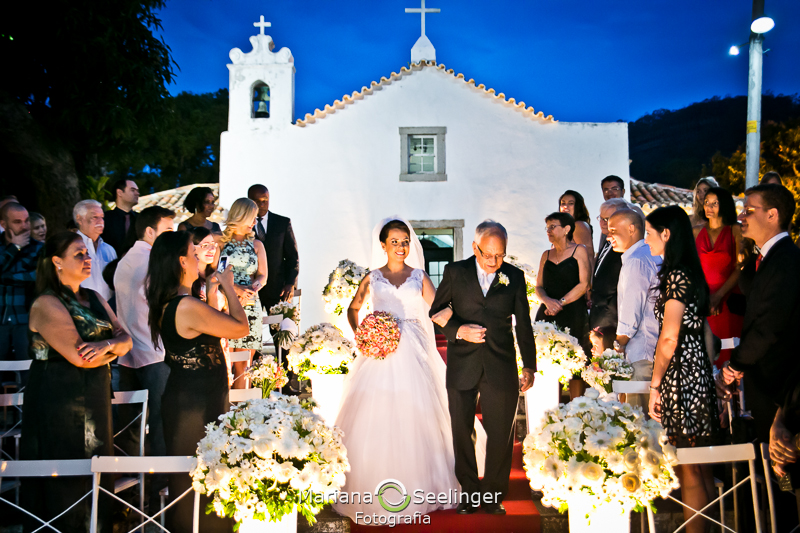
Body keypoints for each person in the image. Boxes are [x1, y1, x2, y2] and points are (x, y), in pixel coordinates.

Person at [333, 218, 479, 520]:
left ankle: (425, 483)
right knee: (376, 412)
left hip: (414, 348)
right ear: (383, 245)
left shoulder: (419, 276)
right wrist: (362, 333)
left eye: (405, 241)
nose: (401, 247)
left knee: (419, 411)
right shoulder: (372, 278)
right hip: (379, 351)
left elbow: (440, 309)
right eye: (395, 241)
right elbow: (354, 308)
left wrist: (462, 325)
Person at [21, 231, 132, 532]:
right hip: (59, 395)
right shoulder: (47, 302)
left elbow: (126, 339)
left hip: (95, 390)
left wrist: (105, 346)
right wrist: (111, 347)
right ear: (57, 262)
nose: (87, 259)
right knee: (65, 470)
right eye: (78, 254)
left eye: (87, 253)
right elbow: (78, 357)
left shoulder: (94, 296)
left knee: (97, 463)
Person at [430, 220, 536, 515]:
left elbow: (523, 324)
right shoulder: (455, 272)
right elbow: (436, 311)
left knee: (501, 432)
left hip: (501, 364)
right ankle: (469, 493)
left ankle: (492, 496)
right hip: (463, 363)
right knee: (462, 431)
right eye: (488, 255)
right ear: (475, 248)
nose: (494, 262)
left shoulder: (513, 276)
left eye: (500, 255)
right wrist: (459, 330)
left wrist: (529, 365)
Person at [146, 231, 249, 533]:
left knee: (207, 475)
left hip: (196, 396)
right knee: (199, 479)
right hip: (194, 404)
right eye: (193, 253)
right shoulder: (185, 306)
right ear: (181, 261)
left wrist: (214, 290)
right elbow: (239, 328)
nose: (200, 257)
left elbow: (213, 327)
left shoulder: (180, 302)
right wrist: (230, 288)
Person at [645, 206, 719, 533]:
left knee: (690, 466)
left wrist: (655, 384)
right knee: (698, 465)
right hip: (696, 368)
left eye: (649, 233)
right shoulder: (690, 270)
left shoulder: (677, 275)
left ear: (666, 234)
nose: (647, 240)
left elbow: (669, 337)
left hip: (681, 374)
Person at [113, 206, 175, 506]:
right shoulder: (151, 261)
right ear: (149, 232)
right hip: (153, 351)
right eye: (167, 230)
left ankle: (130, 497)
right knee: (162, 423)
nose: (172, 237)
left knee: (130, 428)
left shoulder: (126, 260)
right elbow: (161, 304)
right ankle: (160, 491)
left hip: (128, 355)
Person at [607, 209, 661, 410]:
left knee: (640, 423)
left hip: (642, 352)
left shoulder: (637, 260)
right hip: (652, 348)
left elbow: (631, 313)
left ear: (631, 229)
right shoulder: (647, 254)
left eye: (613, 230)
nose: (608, 235)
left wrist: (619, 345)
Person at [692, 187, 743, 368]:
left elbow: (740, 268)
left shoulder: (735, 230)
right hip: (703, 300)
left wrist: (719, 295)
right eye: (707, 203)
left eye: (715, 203)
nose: (709, 207)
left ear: (724, 205)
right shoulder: (696, 232)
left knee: (728, 352)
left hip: (727, 300)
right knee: (706, 352)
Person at [219, 198, 267, 388]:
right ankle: (225, 409)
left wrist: (252, 289)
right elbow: (220, 273)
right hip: (228, 302)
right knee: (227, 358)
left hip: (251, 304)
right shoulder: (223, 245)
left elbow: (263, 275)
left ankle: (243, 410)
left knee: (245, 362)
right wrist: (235, 290)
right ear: (240, 217)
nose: (254, 223)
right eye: (252, 218)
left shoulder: (257, 245)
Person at [535, 212, 591, 350]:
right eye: (547, 228)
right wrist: (547, 301)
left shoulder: (579, 250)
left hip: (572, 311)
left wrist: (559, 304)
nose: (548, 231)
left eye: (552, 227)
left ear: (567, 229)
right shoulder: (546, 255)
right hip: (547, 311)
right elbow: (539, 286)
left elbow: (584, 284)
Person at [0, 203, 43, 371]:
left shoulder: (39, 248)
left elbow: (36, 277)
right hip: (1, 317)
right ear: (4, 224)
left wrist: (4, 276)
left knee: (29, 371)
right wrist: (15, 248)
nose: (24, 226)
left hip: (27, 319)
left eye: (26, 221)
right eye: (18, 222)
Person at [247, 184, 299, 310]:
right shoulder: (243, 226)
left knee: (280, 328)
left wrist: (290, 283)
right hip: (249, 290)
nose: (262, 204)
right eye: (257, 201)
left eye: (265, 200)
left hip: (278, 289)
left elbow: (292, 258)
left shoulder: (282, 223)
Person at [590, 198, 627, 330]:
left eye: (608, 219)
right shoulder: (606, 241)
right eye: (601, 218)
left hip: (611, 319)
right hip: (598, 313)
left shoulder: (624, 246)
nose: (603, 223)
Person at [74, 199, 117, 300]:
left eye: (102, 217)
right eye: (95, 217)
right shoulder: (71, 248)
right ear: (79, 219)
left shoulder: (109, 249)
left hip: (108, 310)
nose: (101, 222)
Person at [102, 179, 140, 256]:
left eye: (137, 191)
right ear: (119, 192)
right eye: (133, 190)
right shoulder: (104, 219)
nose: (137, 193)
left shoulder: (141, 219)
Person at [189, 227, 223, 309]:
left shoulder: (215, 274)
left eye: (213, 244)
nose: (212, 249)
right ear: (192, 247)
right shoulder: (188, 277)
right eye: (205, 245)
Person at [559, 190, 595, 262]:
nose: (566, 206)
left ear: (578, 207)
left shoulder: (578, 225)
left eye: (571, 203)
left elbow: (588, 256)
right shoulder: (563, 229)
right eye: (563, 203)